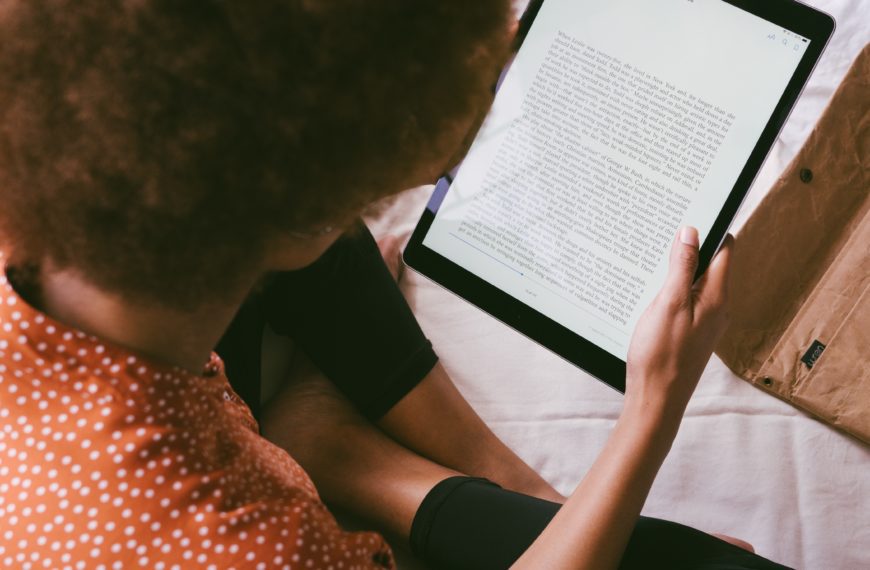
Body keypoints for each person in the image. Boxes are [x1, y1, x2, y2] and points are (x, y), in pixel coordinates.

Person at [0, 1, 790, 568]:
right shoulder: (262, 544)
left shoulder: (83, 170)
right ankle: (353, 460)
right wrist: (653, 404)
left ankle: (488, 483)